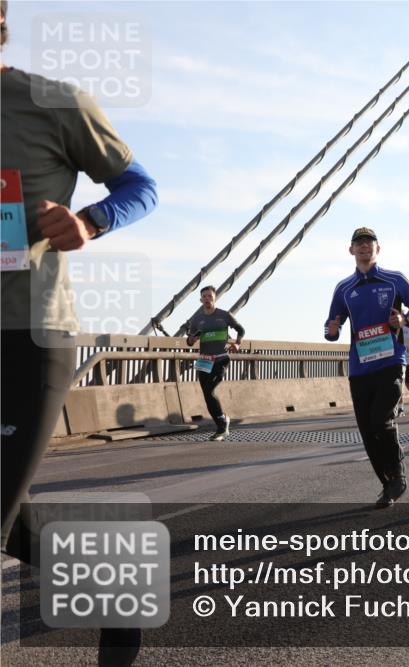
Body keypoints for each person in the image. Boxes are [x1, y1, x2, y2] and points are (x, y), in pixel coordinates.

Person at [1, 4, 159, 662]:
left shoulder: (51, 104)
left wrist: (91, 222)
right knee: (12, 518)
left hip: (31, 337)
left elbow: (140, 184)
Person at [324, 227, 409, 509]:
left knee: (381, 420)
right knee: (368, 431)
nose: (364, 247)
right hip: (359, 369)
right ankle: (387, 484)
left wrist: (404, 320)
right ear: (351, 250)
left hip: (391, 362)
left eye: (369, 243)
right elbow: (331, 325)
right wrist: (331, 331)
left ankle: (399, 474)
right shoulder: (344, 288)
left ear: (378, 249)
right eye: (359, 243)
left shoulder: (394, 280)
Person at [183, 286, 245, 441]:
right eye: (204, 296)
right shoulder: (197, 319)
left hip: (221, 358)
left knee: (210, 390)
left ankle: (222, 427)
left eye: (210, 296)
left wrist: (237, 343)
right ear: (200, 300)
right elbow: (190, 342)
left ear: (215, 298)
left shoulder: (224, 315)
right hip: (204, 359)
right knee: (206, 394)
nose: (207, 298)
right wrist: (192, 339)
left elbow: (241, 330)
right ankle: (222, 420)